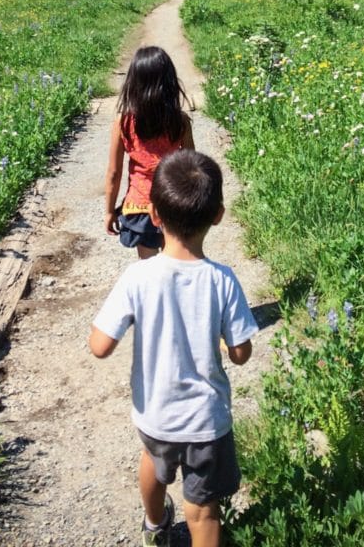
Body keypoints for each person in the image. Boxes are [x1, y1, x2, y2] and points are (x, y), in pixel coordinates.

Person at [90, 149, 258, 547]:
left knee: (153, 463)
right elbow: (241, 353)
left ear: (154, 215)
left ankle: (154, 524)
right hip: (206, 422)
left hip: (156, 415)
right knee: (202, 512)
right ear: (218, 214)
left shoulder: (138, 278)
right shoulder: (222, 280)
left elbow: (99, 346)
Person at [105, 46, 194, 259]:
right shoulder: (180, 122)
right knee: (174, 263)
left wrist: (109, 211)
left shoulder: (124, 123)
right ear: (170, 83)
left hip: (139, 207)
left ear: (133, 83)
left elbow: (114, 173)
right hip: (172, 205)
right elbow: (190, 166)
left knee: (149, 267)